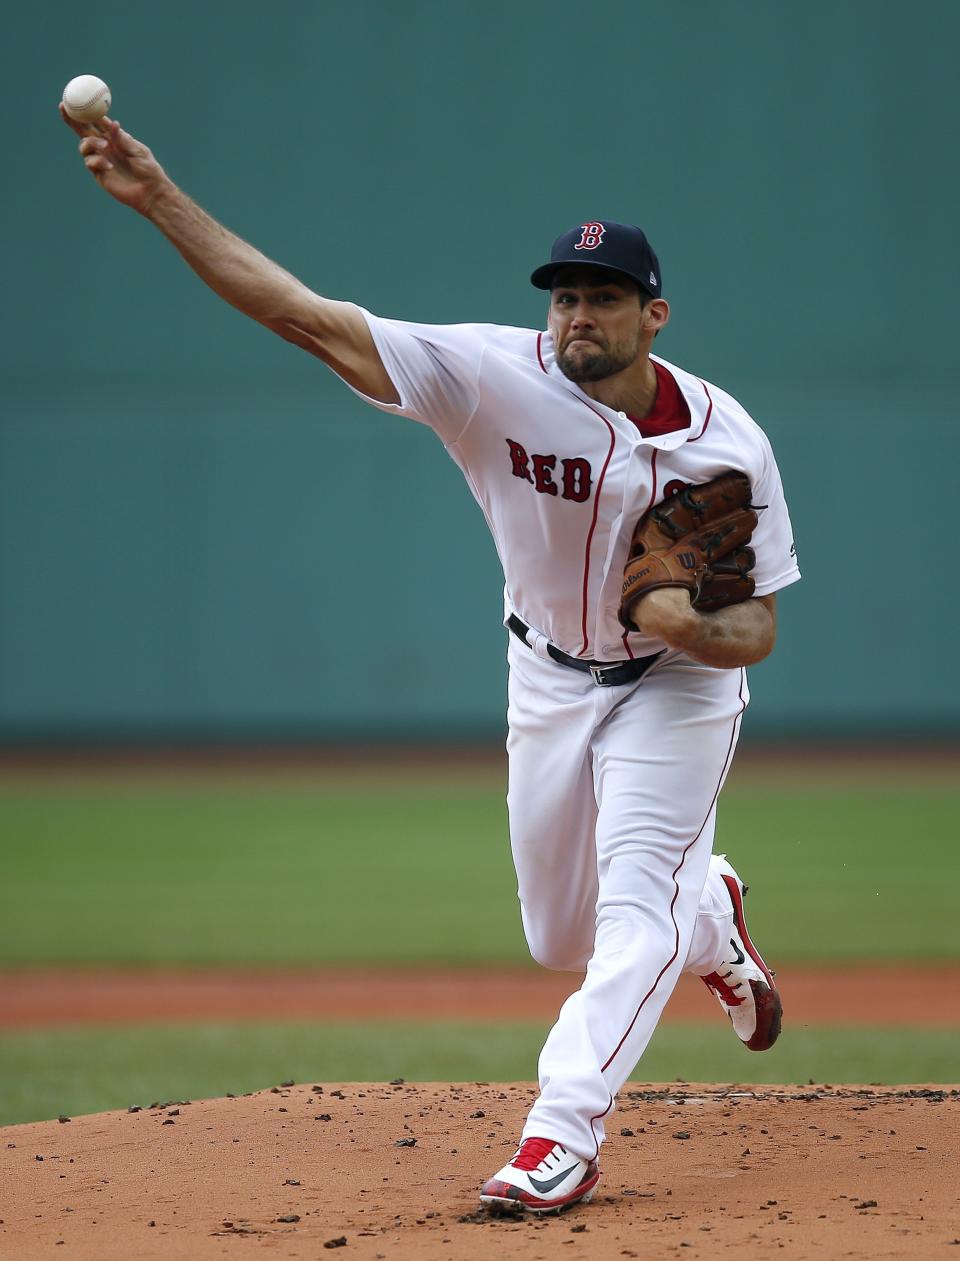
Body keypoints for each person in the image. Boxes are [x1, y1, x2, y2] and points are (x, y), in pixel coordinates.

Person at [63, 112, 800, 1215]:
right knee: (561, 934)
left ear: (655, 314)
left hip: (675, 689)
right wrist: (160, 198)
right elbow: (303, 317)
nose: (577, 315)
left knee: (631, 909)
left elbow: (754, 633)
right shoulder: (490, 377)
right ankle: (713, 910)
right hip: (548, 675)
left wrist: (681, 621)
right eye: (564, 294)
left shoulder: (724, 441)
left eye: (603, 296)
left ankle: (562, 1130)